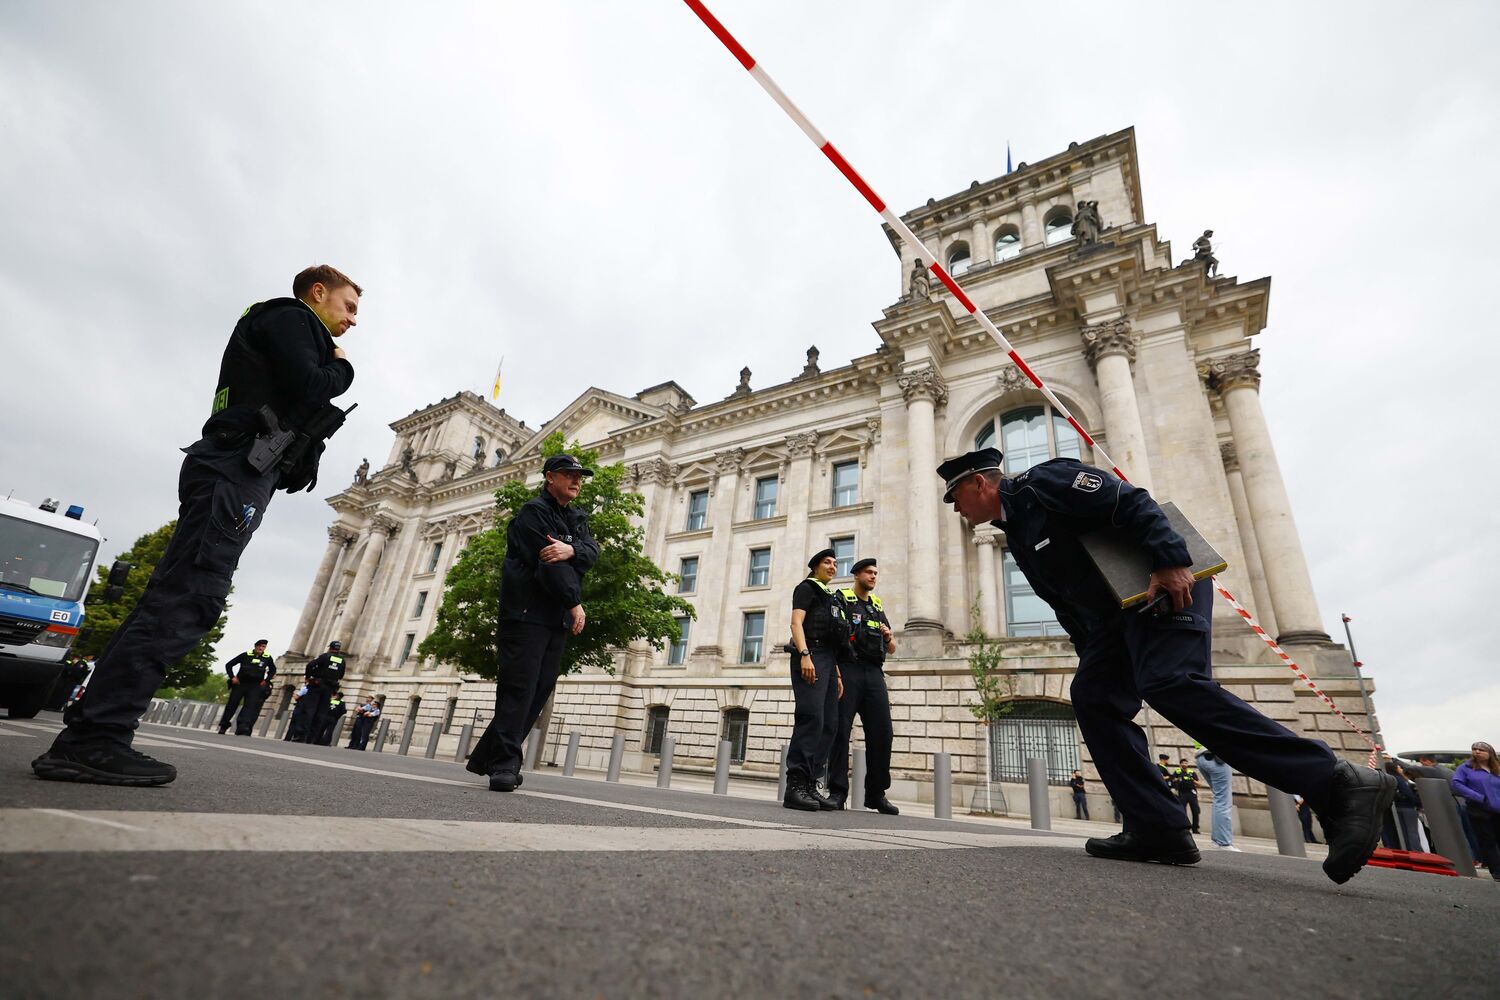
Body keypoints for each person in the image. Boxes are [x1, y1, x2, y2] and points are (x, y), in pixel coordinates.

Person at [936, 447, 1395, 884]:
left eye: (955, 497)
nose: (955, 508)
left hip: (1160, 585)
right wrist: (1090, 650)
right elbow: (1066, 599)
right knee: (1093, 698)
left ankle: (1335, 780)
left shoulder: (1042, 482)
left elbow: (1132, 501)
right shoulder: (1017, 529)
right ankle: (1157, 826)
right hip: (1113, 621)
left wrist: (1171, 560)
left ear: (979, 484)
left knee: (1170, 682)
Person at [32, 265, 360, 786]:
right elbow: (312, 385)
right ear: (318, 293)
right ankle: (96, 738)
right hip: (235, 469)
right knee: (189, 597)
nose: (353, 321)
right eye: (348, 306)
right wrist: (342, 367)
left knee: (173, 595)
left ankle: (93, 731)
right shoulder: (291, 318)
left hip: (235, 468)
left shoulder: (281, 325)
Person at [465, 454, 598, 792]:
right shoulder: (532, 513)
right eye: (569, 474)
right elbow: (549, 563)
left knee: (539, 689)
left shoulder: (577, 517)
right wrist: (575, 602)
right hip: (526, 613)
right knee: (519, 688)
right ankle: (505, 764)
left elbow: (592, 551)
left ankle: (488, 757)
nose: (577, 480)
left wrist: (572, 550)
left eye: (580, 476)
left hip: (555, 617)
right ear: (550, 477)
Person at [827, 557, 898, 815]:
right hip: (848, 669)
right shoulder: (842, 599)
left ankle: (876, 794)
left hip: (874, 673)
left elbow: (892, 647)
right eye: (869, 572)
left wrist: (888, 637)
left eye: (876, 573)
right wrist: (836, 673)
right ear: (856, 574)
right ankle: (837, 792)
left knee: (883, 732)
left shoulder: (876, 606)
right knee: (840, 731)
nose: (873, 576)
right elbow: (832, 638)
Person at [783, 548, 849, 811]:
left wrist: (837, 673)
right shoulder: (806, 588)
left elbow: (833, 638)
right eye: (827, 562)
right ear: (815, 567)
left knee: (829, 724)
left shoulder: (829, 596)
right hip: (810, 654)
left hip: (828, 660)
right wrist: (804, 655)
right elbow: (796, 623)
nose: (833, 566)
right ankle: (795, 786)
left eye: (835, 563)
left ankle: (811, 783)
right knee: (811, 718)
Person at [1451, 741, 1500, 880]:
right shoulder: (1465, 768)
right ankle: (1497, 871)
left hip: (1497, 809)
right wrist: (1477, 797)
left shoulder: (1496, 768)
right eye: (1474, 749)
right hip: (1478, 808)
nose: (1477, 751)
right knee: (1487, 840)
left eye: (1481, 750)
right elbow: (1457, 784)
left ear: (1490, 753)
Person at [218, 639, 276, 735]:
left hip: (255, 686)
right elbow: (229, 665)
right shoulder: (246, 655)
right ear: (255, 646)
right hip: (240, 683)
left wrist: (266, 680)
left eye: (263, 647)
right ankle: (224, 726)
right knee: (232, 705)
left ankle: (242, 727)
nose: (261, 648)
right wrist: (232, 677)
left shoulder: (267, 658)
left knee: (249, 707)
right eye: (259, 646)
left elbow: (273, 670)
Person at [295, 640, 347, 743]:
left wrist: (308, 677)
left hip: (317, 685)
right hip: (330, 688)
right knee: (321, 713)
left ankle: (301, 735)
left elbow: (310, 665)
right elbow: (341, 675)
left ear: (330, 648)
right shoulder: (342, 660)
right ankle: (312, 738)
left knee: (309, 710)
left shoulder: (325, 656)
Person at [1194, 743, 1239, 851]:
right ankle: (1224, 843)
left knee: (1219, 799)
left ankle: (1217, 841)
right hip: (1216, 757)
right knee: (1223, 801)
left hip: (1201, 757)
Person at [1173, 757, 1201, 834]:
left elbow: (1199, 784)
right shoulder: (1177, 772)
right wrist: (1179, 779)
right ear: (1180, 764)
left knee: (1195, 810)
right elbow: (1173, 780)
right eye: (1183, 763)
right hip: (1182, 793)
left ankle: (1195, 828)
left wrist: (1192, 780)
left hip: (1191, 793)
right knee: (1182, 811)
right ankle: (1184, 827)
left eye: (1186, 763)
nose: (1184, 764)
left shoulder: (1192, 772)